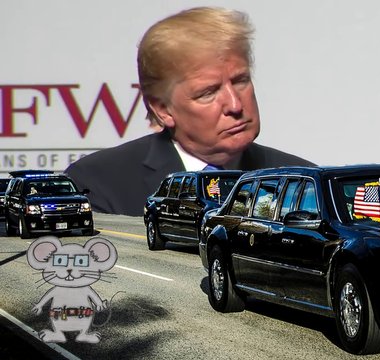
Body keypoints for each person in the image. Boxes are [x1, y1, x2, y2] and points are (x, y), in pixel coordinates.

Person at [65, 7, 314, 216]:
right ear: (163, 109)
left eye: (240, 81)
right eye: (208, 93)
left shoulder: (308, 182)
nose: (235, 105)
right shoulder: (98, 183)